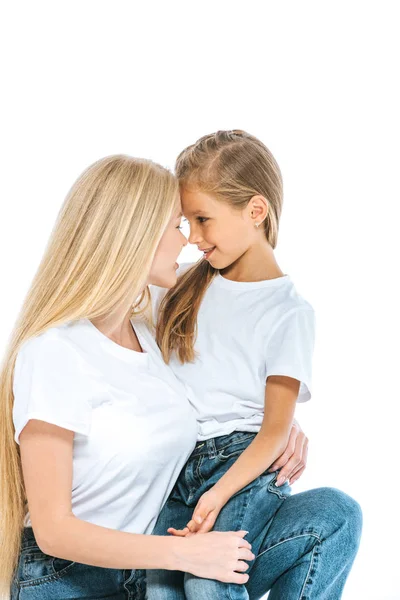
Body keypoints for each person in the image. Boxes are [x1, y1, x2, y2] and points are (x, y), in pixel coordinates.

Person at [0, 155, 255, 600]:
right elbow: (54, 531)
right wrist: (187, 556)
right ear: (134, 235)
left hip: (149, 573)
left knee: (330, 514)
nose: (190, 241)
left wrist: (279, 428)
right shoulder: (55, 352)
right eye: (178, 225)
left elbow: (217, 409)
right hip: (71, 581)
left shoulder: (147, 332)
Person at [145, 130, 363, 599]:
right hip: (176, 470)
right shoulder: (181, 285)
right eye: (186, 223)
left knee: (210, 578)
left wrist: (218, 494)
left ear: (255, 211)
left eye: (203, 220)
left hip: (240, 467)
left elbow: (272, 432)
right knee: (160, 588)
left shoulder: (288, 312)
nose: (193, 238)